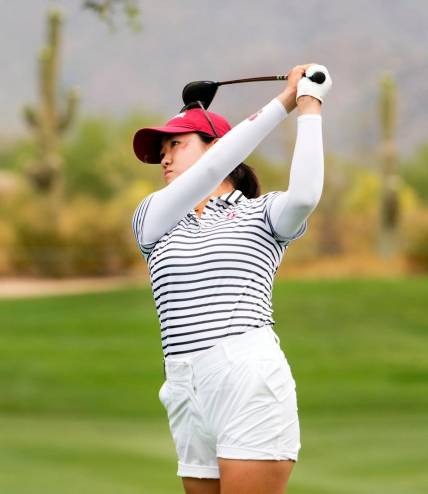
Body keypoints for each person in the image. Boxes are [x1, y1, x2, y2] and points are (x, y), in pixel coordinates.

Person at [131, 63, 332, 494]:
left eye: (176, 144)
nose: (164, 156)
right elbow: (207, 171)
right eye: (161, 149)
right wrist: (283, 100)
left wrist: (307, 105)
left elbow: (305, 196)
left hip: (245, 372)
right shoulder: (154, 217)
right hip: (184, 384)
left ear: (218, 147)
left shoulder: (262, 214)